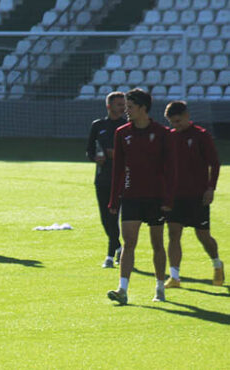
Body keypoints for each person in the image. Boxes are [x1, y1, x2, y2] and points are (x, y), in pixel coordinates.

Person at [106, 88, 174, 305]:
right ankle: (122, 289)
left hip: (155, 197)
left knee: (157, 243)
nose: (126, 110)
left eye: (130, 106)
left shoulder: (162, 133)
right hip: (131, 196)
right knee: (129, 242)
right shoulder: (122, 133)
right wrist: (114, 199)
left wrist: (168, 199)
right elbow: (118, 169)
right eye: (125, 106)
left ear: (143, 108)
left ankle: (160, 287)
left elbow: (170, 169)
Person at [163, 101, 224, 288]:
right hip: (174, 196)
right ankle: (174, 277)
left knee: (203, 236)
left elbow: (214, 163)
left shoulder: (201, 136)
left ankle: (217, 263)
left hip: (197, 195)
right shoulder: (169, 137)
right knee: (174, 234)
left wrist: (210, 188)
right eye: (172, 122)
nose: (176, 125)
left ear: (187, 115)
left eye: (178, 121)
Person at [86, 92, 126, 268]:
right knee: (105, 219)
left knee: (113, 215)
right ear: (109, 106)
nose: (123, 107)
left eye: (123, 104)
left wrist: (117, 156)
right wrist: (96, 158)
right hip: (102, 178)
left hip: (120, 179)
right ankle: (118, 247)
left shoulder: (127, 126)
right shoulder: (98, 125)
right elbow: (89, 151)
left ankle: (110, 256)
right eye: (119, 104)